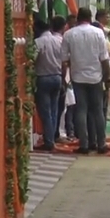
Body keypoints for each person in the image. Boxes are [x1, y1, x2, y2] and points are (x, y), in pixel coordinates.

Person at [61, 7, 110, 154]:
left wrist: (66, 76)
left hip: (77, 77)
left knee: (81, 110)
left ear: (77, 18)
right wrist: (107, 76)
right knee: (97, 111)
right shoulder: (98, 33)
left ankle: (84, 144)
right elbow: (104, 58)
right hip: (96, 77)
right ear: (90, 18)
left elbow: (64, 60)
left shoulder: (69, 34)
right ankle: (101, 144)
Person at [34, 16, 66, 151]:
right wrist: (64, 78)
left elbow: (32, 60)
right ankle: (51, 138)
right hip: (57, 77)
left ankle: (49, 141)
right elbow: (65, 62)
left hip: (43, 78)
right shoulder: (59, 41)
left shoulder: (38, 42)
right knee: (54, 111)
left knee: (45, 112)